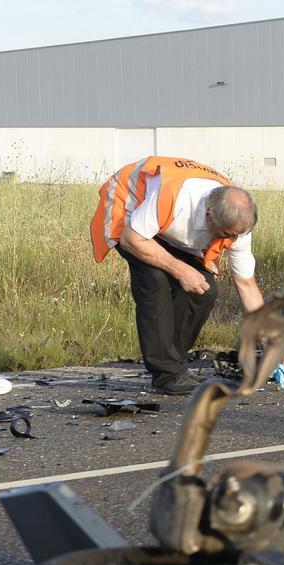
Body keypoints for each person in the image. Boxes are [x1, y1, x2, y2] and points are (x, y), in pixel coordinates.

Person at [89, 157, 265, 395]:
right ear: (210, 215)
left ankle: (171, 362)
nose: (231, 241)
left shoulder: (237, 225)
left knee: (205, 290)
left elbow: (246, 285)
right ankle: (166, 375)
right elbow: (132, 239)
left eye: (235, 236)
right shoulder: (175, 198)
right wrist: (180, 269)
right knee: (154, 280)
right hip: (132, 215)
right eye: (226, 235)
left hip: (168, 228)